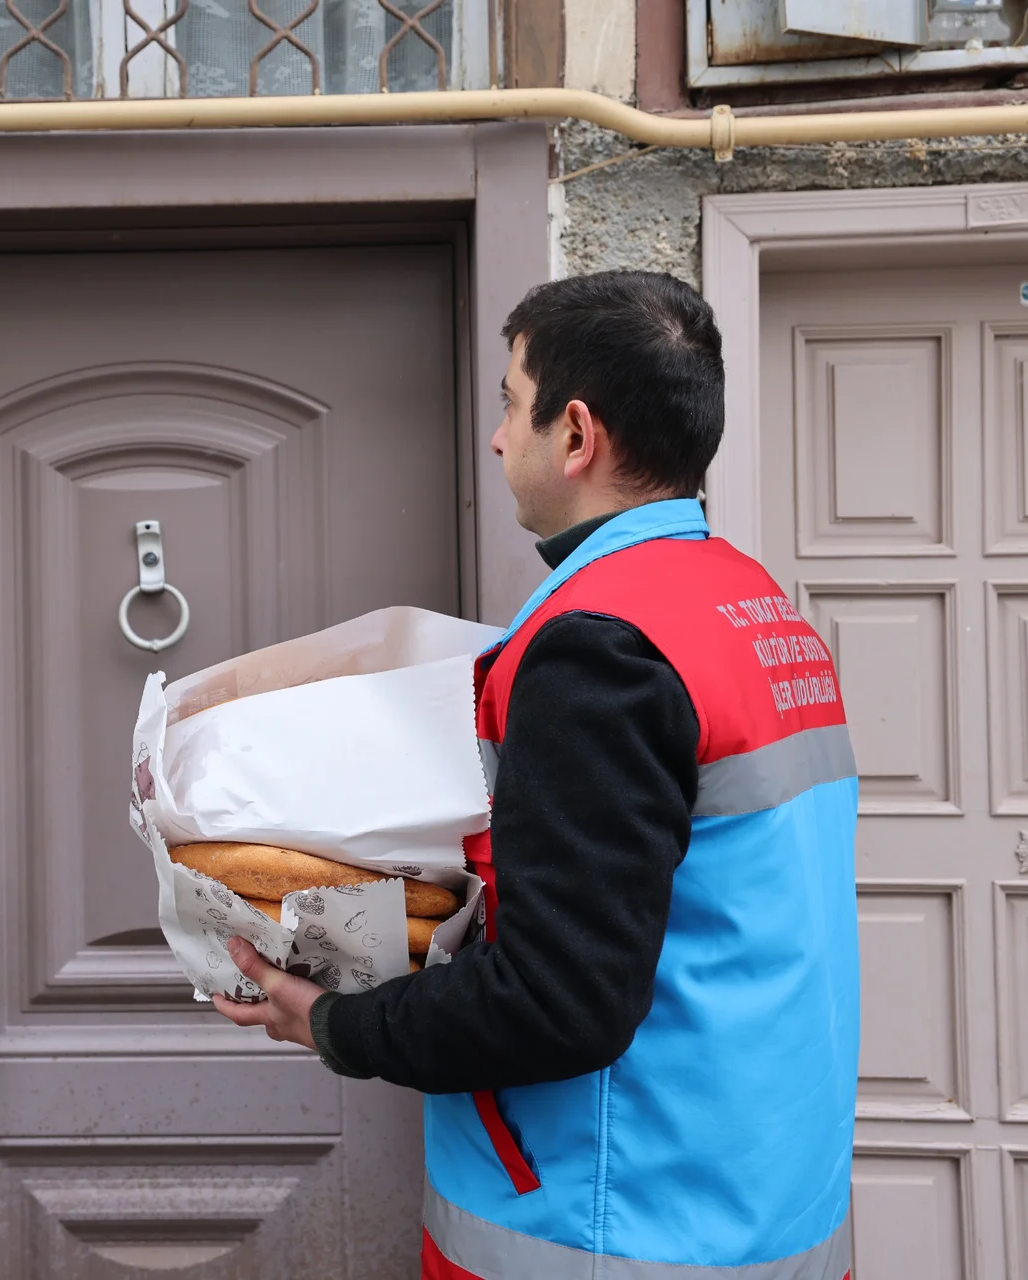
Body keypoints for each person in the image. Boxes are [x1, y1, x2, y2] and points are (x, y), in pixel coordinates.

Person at [214, 271, 859, 1280]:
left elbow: (561, 997)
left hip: (608, 1222)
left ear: (578, 435)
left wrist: (333, 1021)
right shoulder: (753, 607)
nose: (499, 438)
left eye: (513, 404)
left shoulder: (600, 646)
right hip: (761, 1202)